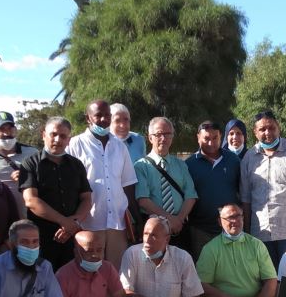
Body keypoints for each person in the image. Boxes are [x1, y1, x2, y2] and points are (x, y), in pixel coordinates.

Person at [67, 100, 138, 268]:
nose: (103, 119)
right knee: (89, 271)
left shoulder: (120, 147)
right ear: (88, 118)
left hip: (117, 222)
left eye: (107, 115)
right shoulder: (75, 144)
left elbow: (128, 184)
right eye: (98, 115)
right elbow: (70, 185)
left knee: (115, 272)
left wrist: (136, 219)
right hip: (88, 222)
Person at [196, 203, 278, 297]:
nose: (235, 220)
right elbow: (202, 285)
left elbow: (271, 280)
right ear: (220, 221)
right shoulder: (210, 249)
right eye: (229, 217)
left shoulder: (256, 245)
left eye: (238, 216)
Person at [19, 117, 92, 271]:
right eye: (54, 134)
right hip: (40, 240)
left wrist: (73, 223)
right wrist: (64, 222)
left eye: (63, 136)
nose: (58, 140)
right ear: (43, 134)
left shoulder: (76, 165)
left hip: (71, 238)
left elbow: (86, 199)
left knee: (69, 284)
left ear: (69, 140)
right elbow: (31, 200)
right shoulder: (30, 163)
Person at [240, 110, 286, 268]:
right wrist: (245, 233)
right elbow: (246, 199)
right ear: (255, 132)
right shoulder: (249, 158)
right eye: (262, 129)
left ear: (278, 127)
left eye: (271, 128)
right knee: (267, 278)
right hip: (260, 233)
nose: (267, 133)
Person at [134, 117, 198, 251]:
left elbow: (190, 195)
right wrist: (169, 219)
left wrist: (178, 220)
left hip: (180, 228)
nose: (163, 138)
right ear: (150, 138)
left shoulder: (181, 165)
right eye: (158, 134)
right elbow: (143, 200)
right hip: (154, 227)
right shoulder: (141, 166)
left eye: (167, 134)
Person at [185, 121, 240, 259]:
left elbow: (241, 191)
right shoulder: (189, 164)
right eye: (206, 139)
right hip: (200, 230)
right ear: (198, 138)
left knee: (230, 269)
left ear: (221, 136)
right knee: (204, 272)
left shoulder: (233, 160)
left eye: (215, 138)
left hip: (229, 227)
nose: (211, 143)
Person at [0, 111, 39, 218]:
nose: (7, 133)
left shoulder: (33, 153)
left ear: (15, 129)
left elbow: (47, 181)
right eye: (1, 129)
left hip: (28, 219)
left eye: (10, 128)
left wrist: (27, 178)